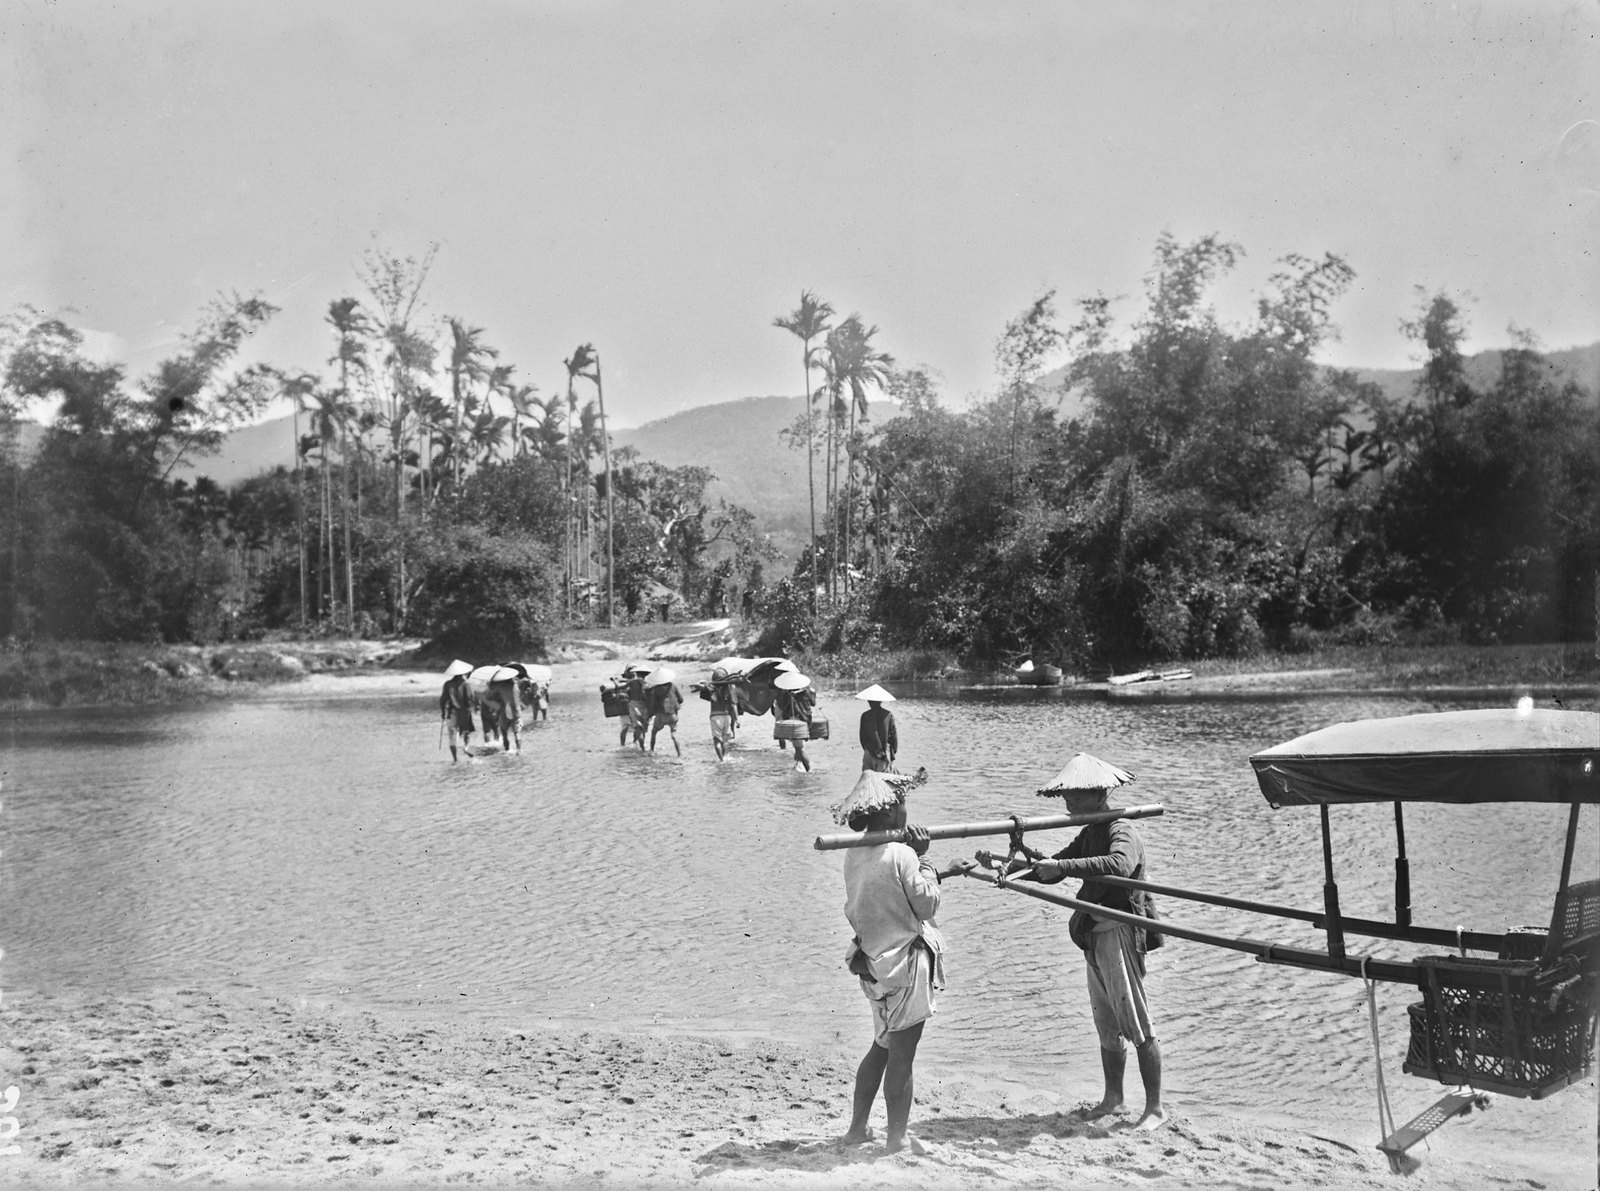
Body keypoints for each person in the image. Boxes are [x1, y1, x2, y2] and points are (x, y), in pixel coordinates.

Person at [977, 752, 1166, 1132]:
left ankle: (1155, 1109)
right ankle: (1114, 1098)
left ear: (1099, 794)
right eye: (1066, 796)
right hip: (1094, 932)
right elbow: (1053, 869)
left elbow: (1119, 864)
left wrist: (1061, 867)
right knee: (1106, 1021)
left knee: (1136, 1021)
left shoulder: (1120, 828)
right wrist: (1004, 866)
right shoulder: (1090, 832)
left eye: (1076, 796)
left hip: (1119, 929)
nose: (1068, 804)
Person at [835, 769, 944, 1155]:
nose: (906, 811)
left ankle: (857, 1129)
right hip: (905, 967)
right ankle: (897, 1137)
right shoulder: (903, 854)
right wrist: (924, 859)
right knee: (902, 1056)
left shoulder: (853, 852)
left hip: (873, 965)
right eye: (902, 805)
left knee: (881, 1047)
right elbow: (927, 906)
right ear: (890, 811)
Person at [773, 671, 815, 773]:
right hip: (805, 721)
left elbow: (782, 708)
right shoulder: (806, 691)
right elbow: (813, 703)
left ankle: (809, 771)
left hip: (795, 722)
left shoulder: (786, 695)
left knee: (799, 749)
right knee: (797, 748)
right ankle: (798, 767)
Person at [439, 660, 476, 763]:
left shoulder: (447, 684)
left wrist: (443, 712)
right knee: (466, 732)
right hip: (464, 712)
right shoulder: (466, 684)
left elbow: (442, 700)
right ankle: (466, 748)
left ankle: (455, 759)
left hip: (451, 712)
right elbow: (470, 698)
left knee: (452, 735)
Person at [699, 666, 739, 761]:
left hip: (715, 717)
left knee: (717, 741)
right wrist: (737, 720)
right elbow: (734, 705)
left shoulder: (711, 687)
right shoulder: (729, 688)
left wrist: (705, 683)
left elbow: (699, 686)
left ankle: (721, 761)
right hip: (726, 716)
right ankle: (724, 758)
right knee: (725, 741)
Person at [855, 684, 898, 772]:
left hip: (869, 752)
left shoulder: (865, 716)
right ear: (881, 701)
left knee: (867, 777)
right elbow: (893, 737)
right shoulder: (888, 715)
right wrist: (892, 752)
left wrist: (868, 749)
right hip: (884, 753)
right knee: (883, 778)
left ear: (869, 701)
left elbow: (862, 737)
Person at [484, 668, 523, 754]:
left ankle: (507, 750)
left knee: (504, 732)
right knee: (517, 732)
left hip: (504, 713)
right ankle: (519, 751)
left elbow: (488, 697)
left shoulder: (500, 687)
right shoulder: (516, 686)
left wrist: (489, 686)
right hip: (516, 713)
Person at [647, 671, 684, 757]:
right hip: (673, 715)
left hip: (661, 715)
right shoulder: (673, 686)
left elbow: (652, 704)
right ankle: (679, 753)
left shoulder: (655, 689)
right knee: (674, 734)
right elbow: (681, 699)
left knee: (654, 732)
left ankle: (651, 750)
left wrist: (650, 715)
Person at [624, 665, 651, 750]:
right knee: (643, 729)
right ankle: (643, 746)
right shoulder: (648, 684)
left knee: (638, 728)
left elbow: (620, 688)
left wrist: (614, 681)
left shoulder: (632, 682)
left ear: (636, 673)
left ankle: (642, 747)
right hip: (645, 707)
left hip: (634, 706)